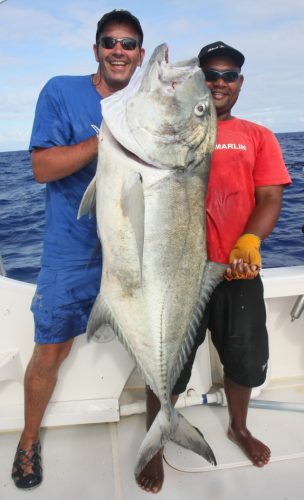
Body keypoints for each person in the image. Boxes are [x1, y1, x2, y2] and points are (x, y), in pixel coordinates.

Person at [136, 41, 291, 493]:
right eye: (212, 74)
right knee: (166, 367)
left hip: (236, 272)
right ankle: (157, 440)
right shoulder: (173, 130)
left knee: (243, 361)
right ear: (199, 82)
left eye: (229, 74)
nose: (220, 82)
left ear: (240, 82)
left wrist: (249, 239)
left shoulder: (259, 136)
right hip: (177, 274)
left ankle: (238, 427)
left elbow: (270, 198)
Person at [11, 9, 145, 490]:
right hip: (72, 252)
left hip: (133, 254)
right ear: (96, 50)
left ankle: (156, 435)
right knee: (50, 351)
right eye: (110, 42)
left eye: (128, 44)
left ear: (140, 55)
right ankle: (28, 440)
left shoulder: (145, 103)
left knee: (156, 342)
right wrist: (103, 141)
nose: (118, 51)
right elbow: (42, 167)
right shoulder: (60, 91)